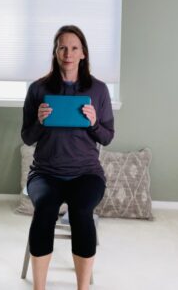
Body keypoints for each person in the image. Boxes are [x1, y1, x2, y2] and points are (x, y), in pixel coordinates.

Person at [21, 25, 114, 290]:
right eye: (62, 47)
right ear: (55, 52)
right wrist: (40, 122)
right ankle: (40, 287)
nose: (68, 53)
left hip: (86, 173)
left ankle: (82, 287)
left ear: (83, 53)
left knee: (81, 212)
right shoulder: (38, 89)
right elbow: (28, 137)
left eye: (74, 48)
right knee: (45, 210)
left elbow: (106, 137)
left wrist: (94, 123)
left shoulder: (98, 90)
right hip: (45, 173)